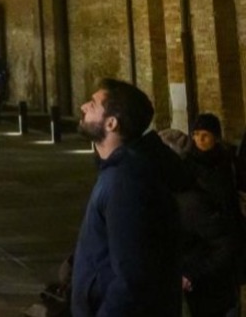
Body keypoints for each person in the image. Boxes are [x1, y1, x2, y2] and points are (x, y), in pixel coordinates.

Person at [71, 78, 182, 317]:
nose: (83, 107)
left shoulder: (125, 180)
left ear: (111, 123)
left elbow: (133, 279)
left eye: (93, 104)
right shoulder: (117, 170)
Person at [158, 128, 241, 317]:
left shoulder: (192, 200)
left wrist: (191, 273)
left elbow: (225, 243)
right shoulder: (174, 191)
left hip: (211, 293)